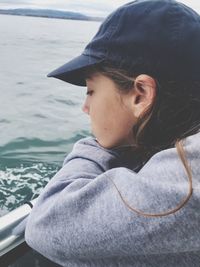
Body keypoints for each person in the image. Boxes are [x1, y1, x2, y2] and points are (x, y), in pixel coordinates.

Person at [23, 0, 200, 266]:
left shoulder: (188, 178)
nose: (85, 107)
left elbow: (46, 225)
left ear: (140, 95)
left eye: (90, 90)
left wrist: (96, 144)